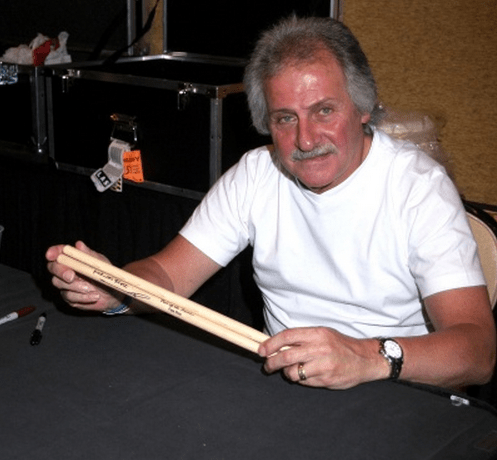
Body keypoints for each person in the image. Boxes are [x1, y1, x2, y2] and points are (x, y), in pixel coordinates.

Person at [46, 16, 495, 390]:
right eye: (285, 118)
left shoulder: (418, 188)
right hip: (284, 383)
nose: (304, 139)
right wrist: (115, 289)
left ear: (363, 108)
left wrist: (366, 357)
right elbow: (166, 275)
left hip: (394, 389)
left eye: (324, 111)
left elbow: (476, 350)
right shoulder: (257, 175)